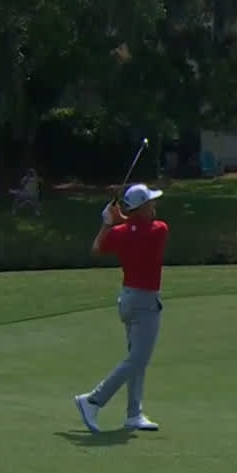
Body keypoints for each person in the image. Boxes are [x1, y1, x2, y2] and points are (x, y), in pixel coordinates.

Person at [73, 183, 170, 434]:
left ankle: (134, 414)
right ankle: (93, 400)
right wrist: (122, 219)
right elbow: (140, 228)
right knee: (138, 359)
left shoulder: (119, 232)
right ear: (142, 207)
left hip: (127, 300)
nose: (154, 206)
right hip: (145, 303)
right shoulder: (160, 230)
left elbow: (96, 249)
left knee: (135, 358)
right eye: (150, 203)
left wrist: (108, 222)